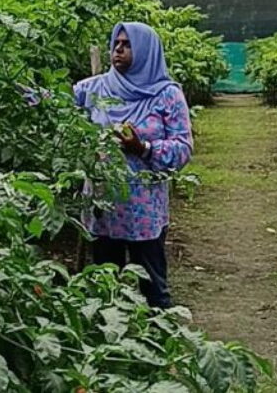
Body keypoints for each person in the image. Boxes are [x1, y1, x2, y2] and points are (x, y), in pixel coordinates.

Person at [74, 22, 193, 309]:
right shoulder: (93, 89)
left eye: (127, 45)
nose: (118, 49)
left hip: (144, 210)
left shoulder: (167, 95)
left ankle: (161, 339)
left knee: (152, 287)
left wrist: (144, 149)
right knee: (105, 284)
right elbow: (58, 110)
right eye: (116, 43)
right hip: (104, 206)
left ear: (145, 51)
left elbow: (184, 147)